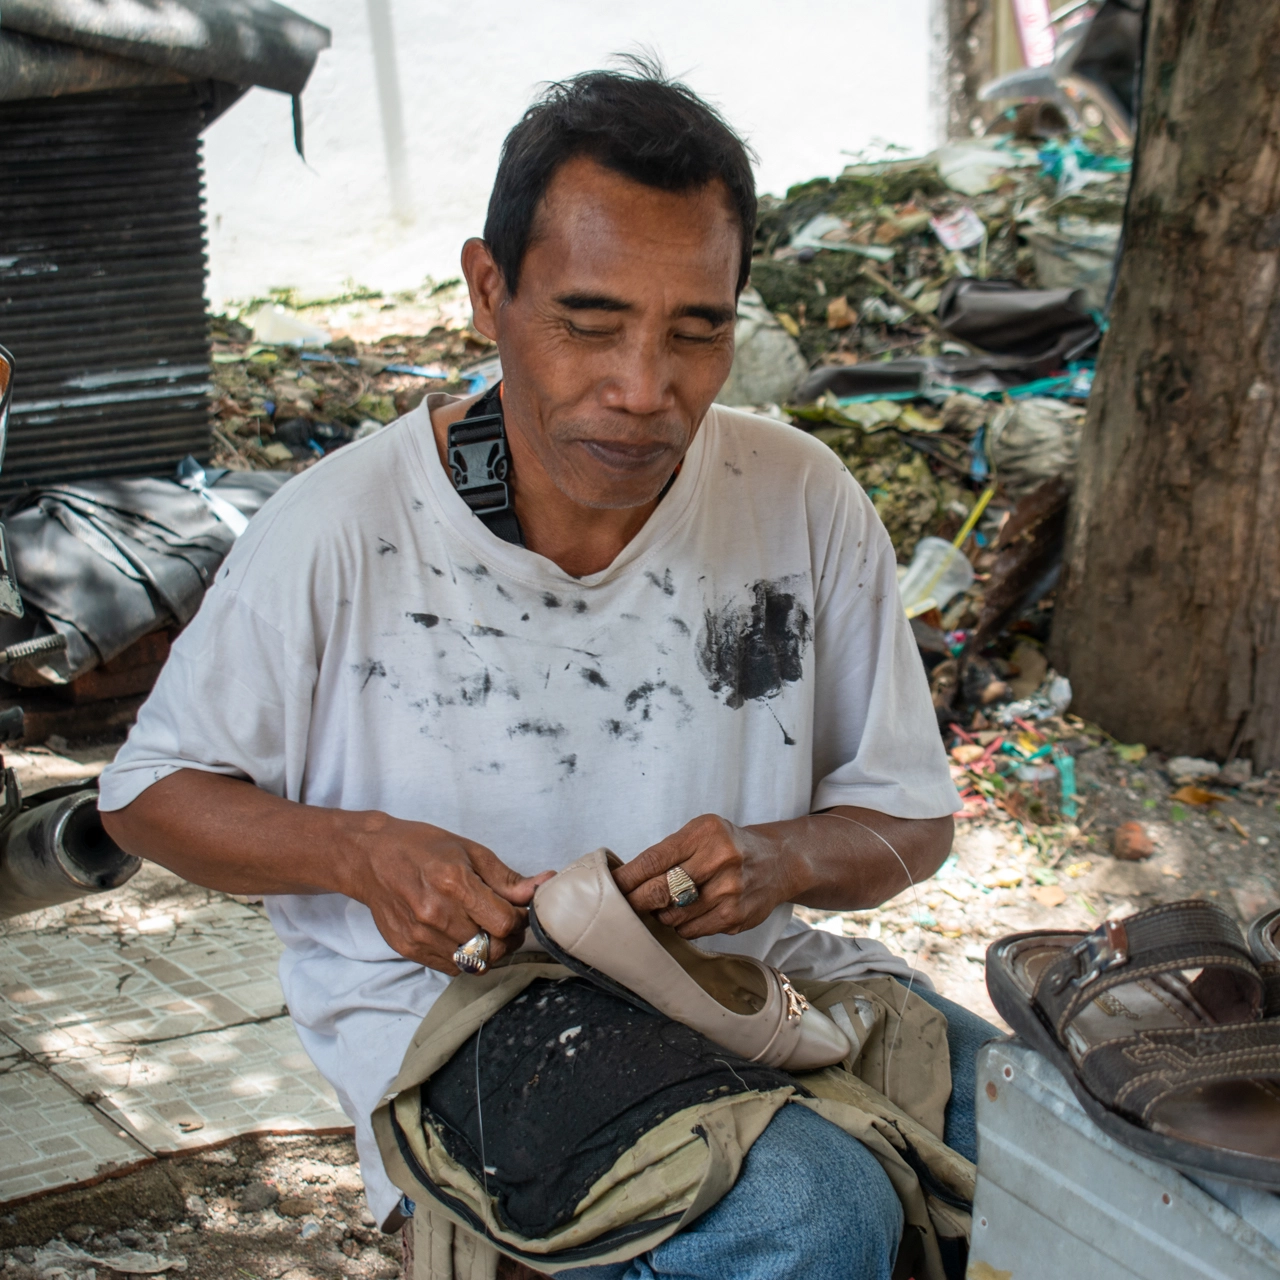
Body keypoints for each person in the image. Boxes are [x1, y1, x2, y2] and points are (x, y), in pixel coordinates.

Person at [100, 60, 994, 1280]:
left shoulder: (799, 498)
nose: (641, 391)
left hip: (739, 978)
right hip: (461, 1015)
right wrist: (361, 852)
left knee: (1059, 1130)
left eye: (697, 330)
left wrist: (775, 859)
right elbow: (148, 795)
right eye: (586, 321)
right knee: (813, 1215)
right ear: (487, 290)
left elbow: (911, 822)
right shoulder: (341, 525)